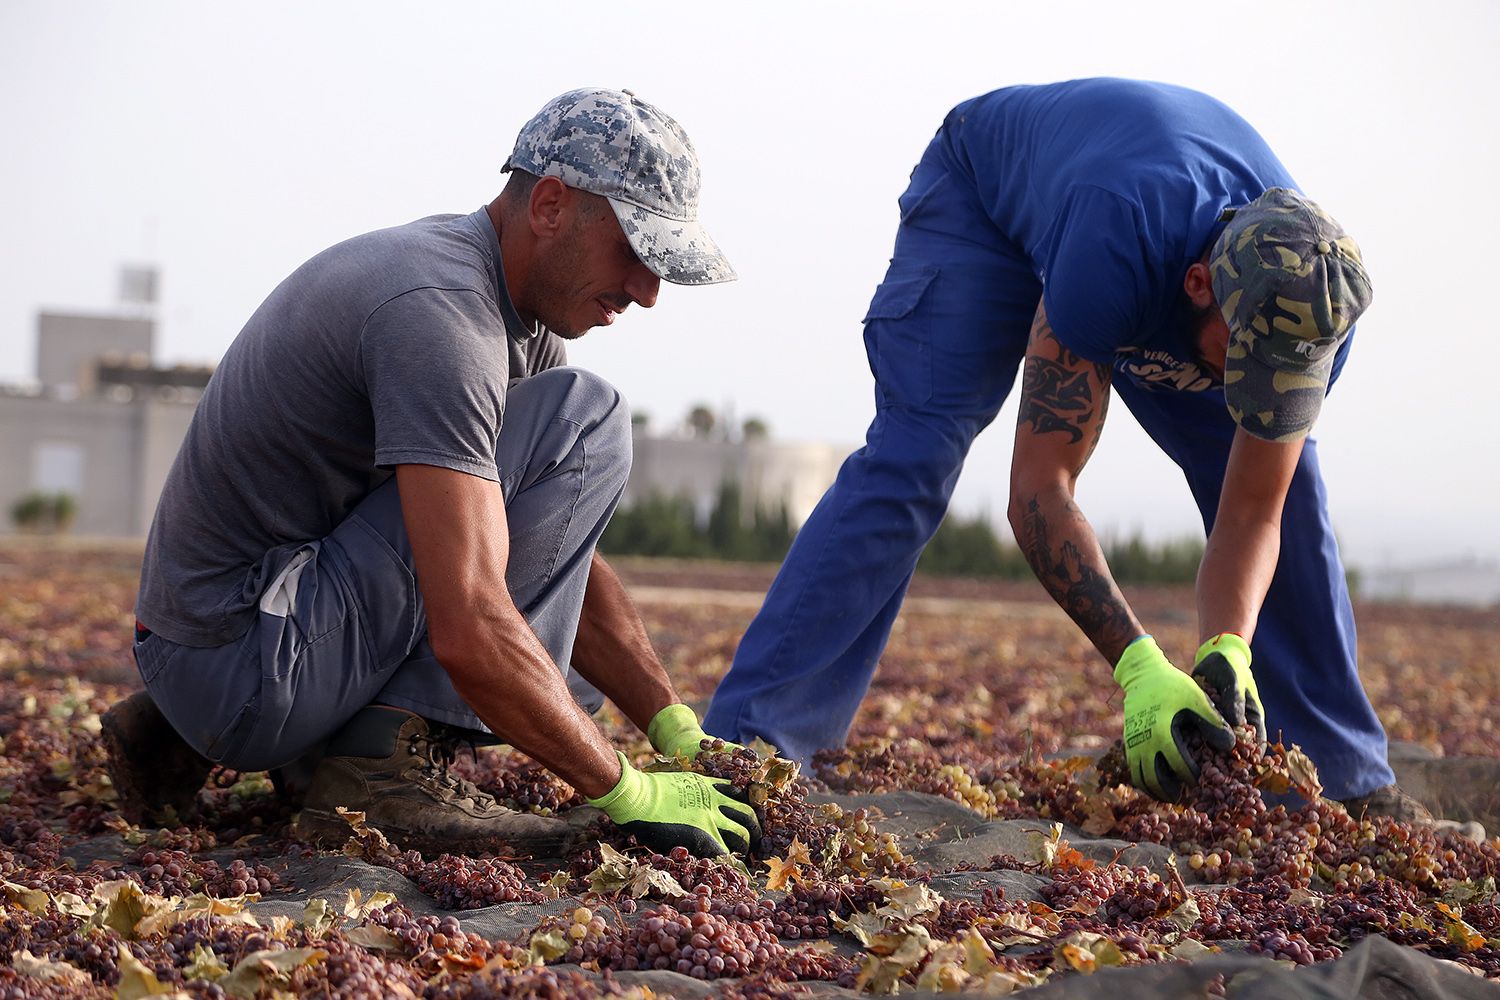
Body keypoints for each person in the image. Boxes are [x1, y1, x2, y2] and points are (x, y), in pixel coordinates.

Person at [704, 78, 1421, 818]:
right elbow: (1041, 491)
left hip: (1138, 238)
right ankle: (755, 745)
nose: (1253, 387)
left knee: (1294, 494)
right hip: (983, 202)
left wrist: (1226, 648)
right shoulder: (1121, 245)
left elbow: (1255, 514)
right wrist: (1138, 664)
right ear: (1201, 286)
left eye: (1276, 378)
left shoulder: (1313, 311)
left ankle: (1342, 774)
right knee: (915, 456)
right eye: (1243, 363)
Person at [101, 88, 760, 860]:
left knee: (551, 649)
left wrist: (671, 726)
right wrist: (625, 788)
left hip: (221, 647)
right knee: (587, 421)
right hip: (244, 666)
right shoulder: (442, 314)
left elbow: (548, 555)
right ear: (550, 204)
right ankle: (381, 777)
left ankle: (183, 736)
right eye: (636, 253)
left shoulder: (511, 316)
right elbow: (474, 621)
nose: (648, 292)